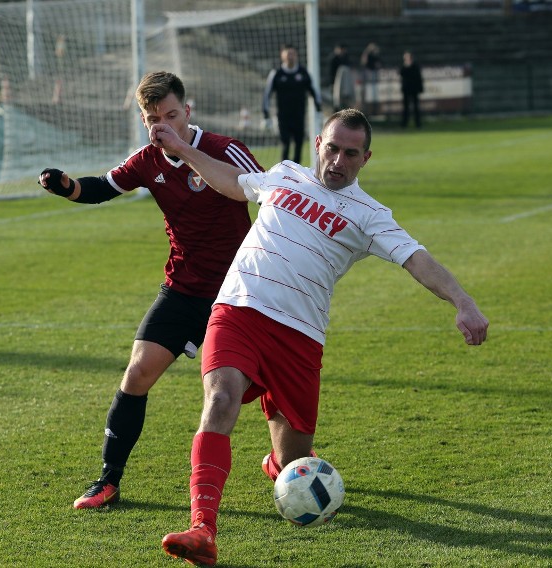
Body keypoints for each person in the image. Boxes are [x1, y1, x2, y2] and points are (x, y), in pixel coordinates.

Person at [150, 108, 489, 566]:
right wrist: (185, 150)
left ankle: (278, 464)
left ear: (365, 159)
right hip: (240, 309)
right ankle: (203, 529)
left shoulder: (370, 215)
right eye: (332, 148)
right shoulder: (284, 175)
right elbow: (234, 183)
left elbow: (416, 259)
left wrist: (463, 302)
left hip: (300, 337)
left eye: (351, 153)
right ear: (317, 144)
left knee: (294, 462)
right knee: (221, 399)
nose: (338, 160)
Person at [38, 71, 263, 510]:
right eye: (153, 118)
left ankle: (290, 457)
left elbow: (269, 194)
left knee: (253, 387)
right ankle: (108, 481)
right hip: (183, 289)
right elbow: (102, 188)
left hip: (241, 290)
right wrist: (66, 186)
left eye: (172, 115)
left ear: (187, 111)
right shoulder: (147, 160)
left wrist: (185, 150)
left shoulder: (224, 149)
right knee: (138, 372)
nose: (164, 125)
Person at [262, 44, 322, 165]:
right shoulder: (276, 73)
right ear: (282, 55)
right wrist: (266, 114)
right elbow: (267, 95)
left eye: (293, 54)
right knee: (285, 144)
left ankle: (296, 175)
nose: (290, 56)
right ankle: (283, 173)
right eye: (288, 53)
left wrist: (319, 110)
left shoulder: (303, 73)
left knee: (299, 144)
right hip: (282, 117)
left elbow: (314, 92)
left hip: (299, 116)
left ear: (296, 56)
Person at [399, 50, 424, 129]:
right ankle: (404, 123)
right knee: (406, 107)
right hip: (406, 89)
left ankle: (418, 123)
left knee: (416, 107)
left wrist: (420, 88)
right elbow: (401, 73)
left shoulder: (415, 66)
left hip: (414, 88)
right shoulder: (403, 66)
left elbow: (418, 77)